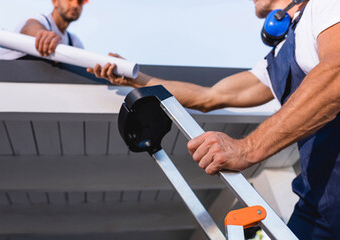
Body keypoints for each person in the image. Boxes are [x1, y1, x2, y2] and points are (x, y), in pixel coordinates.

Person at [88, 0, 340, 238]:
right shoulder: (274, 61)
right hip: (320, 199)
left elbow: (336, 74)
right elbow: (208, 97)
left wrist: (248, 147)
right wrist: (135, 78)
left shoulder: (325, 7)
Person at [0, 0, 87, 60]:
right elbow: (29, 28)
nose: (75, 5)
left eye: (80, 2)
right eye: (70, 0)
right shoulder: (40, 19)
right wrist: (42, 35)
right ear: (55, 2)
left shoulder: (74, 43)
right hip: (2, 77)